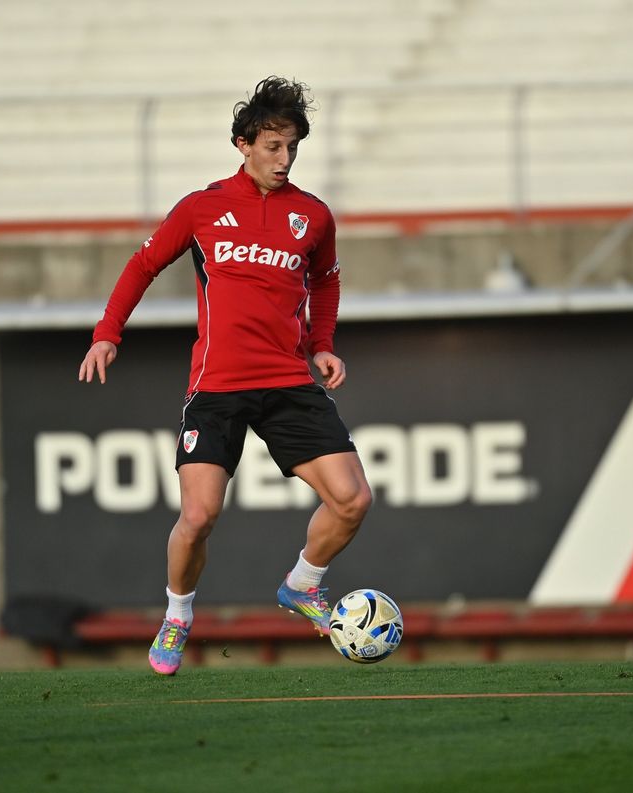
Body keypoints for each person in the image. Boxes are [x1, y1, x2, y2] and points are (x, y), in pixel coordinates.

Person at [78, 76, 372, 675]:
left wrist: (322, 343)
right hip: (217, 388)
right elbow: (144, 263)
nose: (284, 159)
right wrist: (108, 331)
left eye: (292, 148)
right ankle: (178, 615)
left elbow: (326, 278)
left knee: (352, 499)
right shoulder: (202, 207)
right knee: (198, 516)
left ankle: (302, 584)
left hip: (289, 381)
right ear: (243, 144)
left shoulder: (312, 216)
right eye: (273, 147)